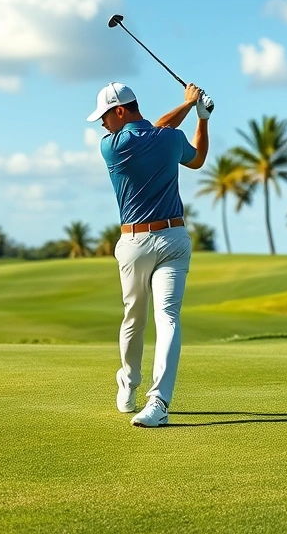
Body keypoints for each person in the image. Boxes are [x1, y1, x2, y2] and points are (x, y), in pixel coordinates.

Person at [86, 82, 211, 427]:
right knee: (136, 318)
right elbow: (195, 155)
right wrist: (196, 110)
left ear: (121, 111)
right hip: (148, 240)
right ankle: (128, 380)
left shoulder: (140, 138)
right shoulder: (116, 145)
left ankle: (159, 401)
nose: (102, 124)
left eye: (104, 116)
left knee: (164, 318)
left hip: (163, 240)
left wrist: (198, 115)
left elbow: (192, 157)